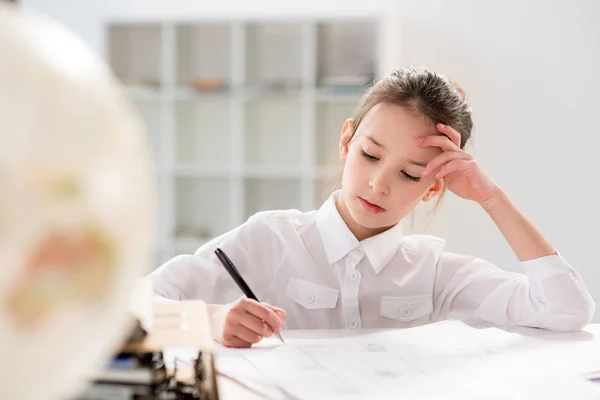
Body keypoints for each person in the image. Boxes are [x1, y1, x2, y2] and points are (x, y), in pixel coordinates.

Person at [149, 66, 595, 348]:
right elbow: (131, 305)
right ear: (347, 141)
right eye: (370, 155)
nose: (379, 184)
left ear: (434, 187)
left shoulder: (435, 272)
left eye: (409, 174)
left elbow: (564, 311)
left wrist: (491, 198)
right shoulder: (270, 240)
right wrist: (210, 318)